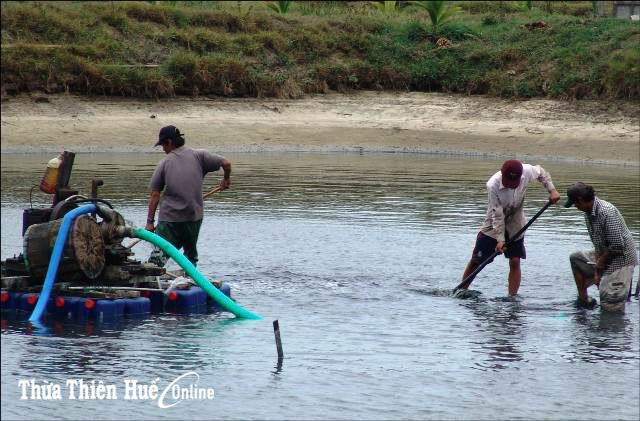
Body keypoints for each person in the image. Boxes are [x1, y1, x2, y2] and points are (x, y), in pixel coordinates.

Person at [458, 159, 560, 295]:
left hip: (516, 221)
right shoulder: (493, 184)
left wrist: (552, 190)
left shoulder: (527, 171)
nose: (511, 186)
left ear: (520, 177)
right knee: (477, 260)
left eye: (514, 183)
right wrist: (500, 240)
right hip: (493, 223)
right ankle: (461, 290)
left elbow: (542, 173)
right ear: (502, 174)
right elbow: (497, 214)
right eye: (508, 183)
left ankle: (512, 297)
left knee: (515, 261)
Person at [146, 125, 231, 267]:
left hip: (170, 220)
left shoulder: (164, 163)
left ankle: (151, 283)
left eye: (163, 145)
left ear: (170, 142)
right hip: (193, 217)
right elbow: (226, 163)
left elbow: (155, 195)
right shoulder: (200, 156)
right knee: (190, 258)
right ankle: (191, 279)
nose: (163, 149)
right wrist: (226, 179)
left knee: (158, 258)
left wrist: (149, 222)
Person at [564, 182, 638, 311]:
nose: (575, 206)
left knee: (610, 309)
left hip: (622, 258)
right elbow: (598, 244)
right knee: (576, 259)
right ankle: (584, 302)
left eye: (575, 203)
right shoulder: (588, 212)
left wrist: (599, 268)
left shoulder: (606, 212)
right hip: (605, 253)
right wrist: (598, 273)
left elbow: (617, 246)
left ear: (581, 200)